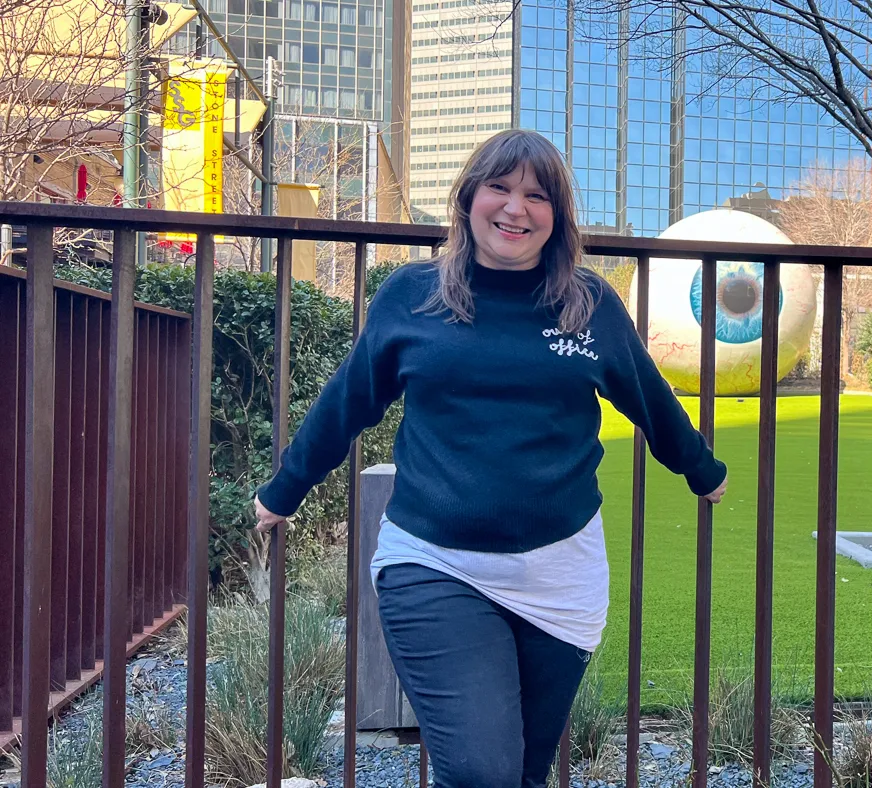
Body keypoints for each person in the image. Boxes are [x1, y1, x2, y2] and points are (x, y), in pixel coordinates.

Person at [252, 128, 727, 788]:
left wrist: (702, 471)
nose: (514, 208)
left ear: (556, 217)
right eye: (499, 187)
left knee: (525, 772)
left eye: (536, 195)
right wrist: (283, 491)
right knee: (481, 772)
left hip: (562, 575)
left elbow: (648, 397)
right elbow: (347, 402)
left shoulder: (588, 306)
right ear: (468, 197)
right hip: (435, 561)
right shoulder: (413, 297)